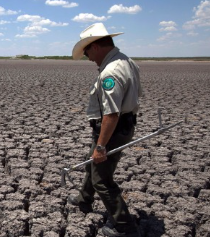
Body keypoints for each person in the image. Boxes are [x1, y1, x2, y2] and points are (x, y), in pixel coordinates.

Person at [68, 23, 142, 237]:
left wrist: (101, 145)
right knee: (92, 163)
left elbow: (111, 114)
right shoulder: (127, 61)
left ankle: (125, 227)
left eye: (87, 51)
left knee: (102, 179)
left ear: (97, 46)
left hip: (112, 130)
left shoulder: (111, 72)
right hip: (120, 127)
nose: (88, 57)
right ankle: (84, 199)